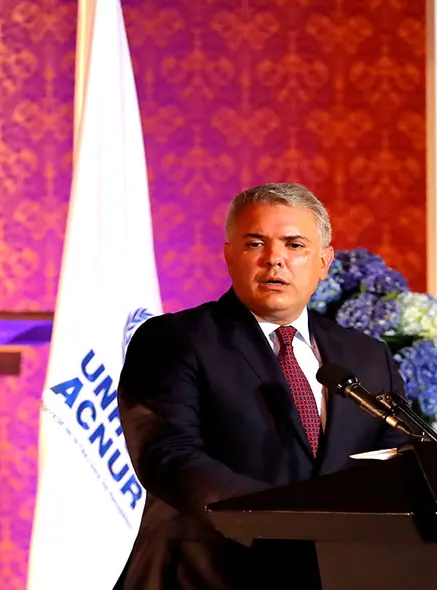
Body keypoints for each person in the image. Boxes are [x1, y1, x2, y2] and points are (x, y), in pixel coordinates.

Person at [113, 183, 413, 590]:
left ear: (323, 262)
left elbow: (402, 453)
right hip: (205, 573)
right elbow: (169, 455)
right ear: (229, 255)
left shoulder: (364, 355)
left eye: (295, 245)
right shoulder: (174, 339)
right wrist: (283, 520)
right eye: (256, 243)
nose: (275, 259)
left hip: (337, 573)